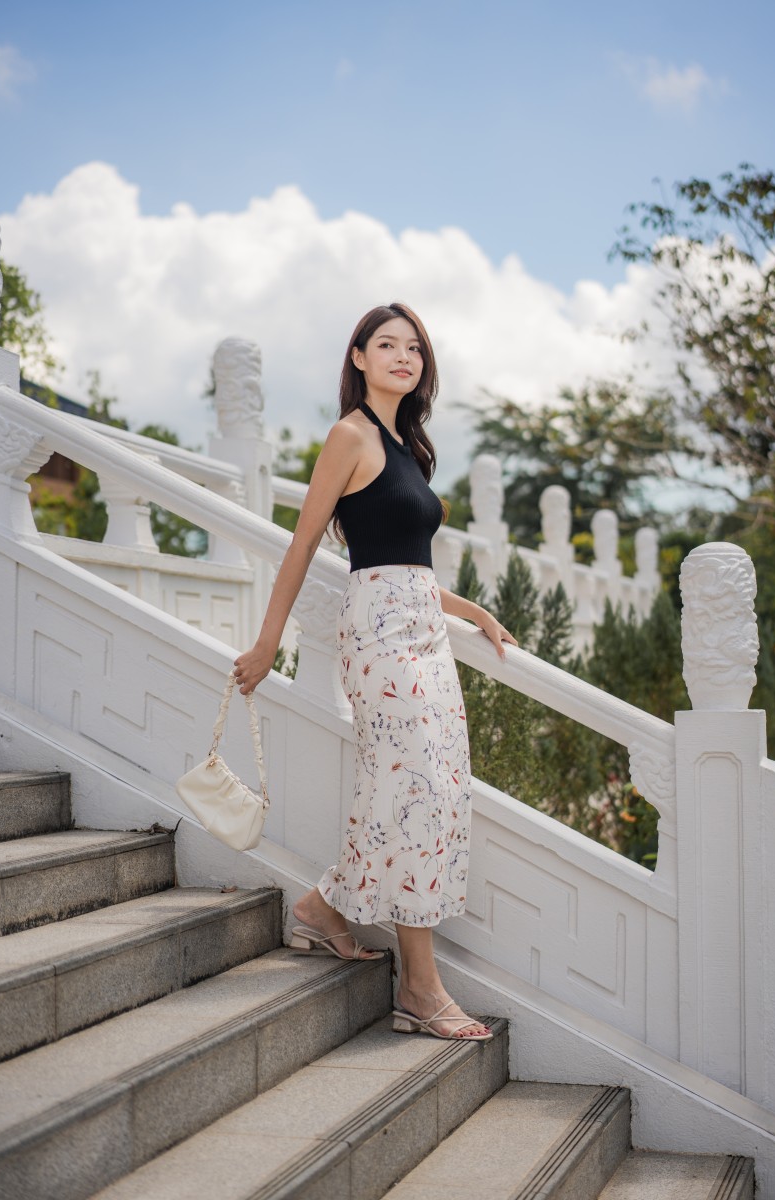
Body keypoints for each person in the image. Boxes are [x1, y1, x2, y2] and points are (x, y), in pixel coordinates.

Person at [233, 302, 517, 1040]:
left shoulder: (408, 446)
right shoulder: (349, 435)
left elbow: (406, 560)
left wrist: (472, 610)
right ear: (357, 357)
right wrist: (270, 644)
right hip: (382, 637)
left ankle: (324, 909)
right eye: (386, 344)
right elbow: (304, 548)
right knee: (416, 786)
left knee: (430, 783)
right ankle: (421, 990)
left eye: (413, 347)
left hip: (423, 627)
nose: (402, 356)